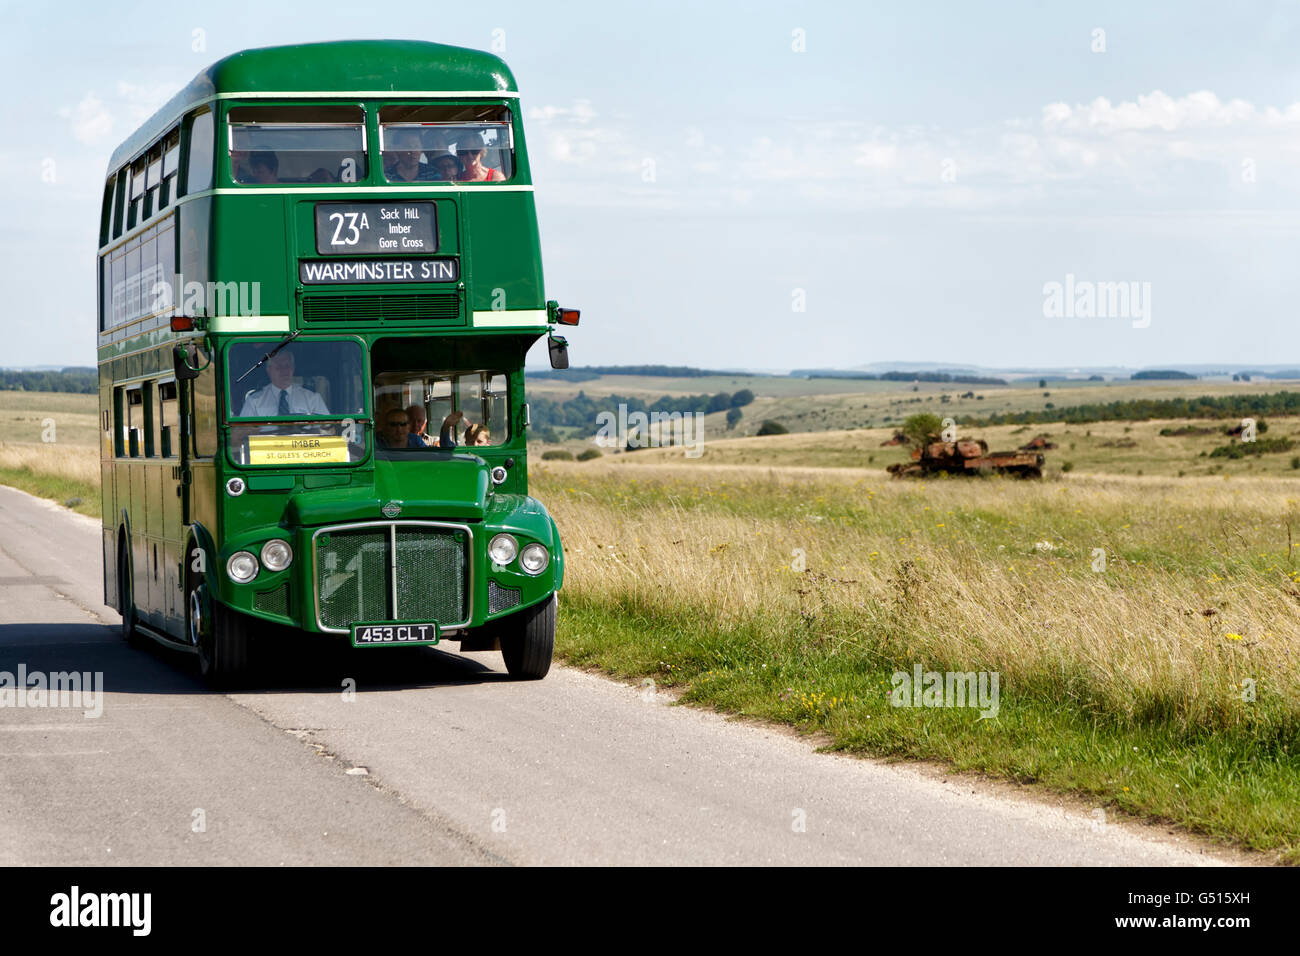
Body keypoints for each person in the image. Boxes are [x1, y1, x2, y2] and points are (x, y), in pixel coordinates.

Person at [238, 350, 329, 417]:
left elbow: (326, 428)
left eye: (287, 366)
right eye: (278, 367)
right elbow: (244, 431)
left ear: (293, 368)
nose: (284, 370)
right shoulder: (254, 400)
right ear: (269, 370)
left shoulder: (312, 398)